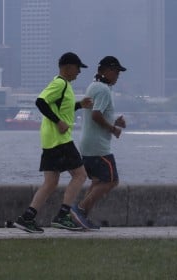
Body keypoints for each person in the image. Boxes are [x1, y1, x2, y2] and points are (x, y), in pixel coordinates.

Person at [13, 51, 94, 233]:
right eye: (77, 68)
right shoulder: (60, 83)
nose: (79, 72)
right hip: (60, 140)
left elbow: (60, 108)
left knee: (50, 183)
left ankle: (27, 218)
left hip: (50, 141)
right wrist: (59, 122)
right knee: (80, 175)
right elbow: (40, 102)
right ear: (67, 67)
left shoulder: (65, 86)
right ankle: (63, 216)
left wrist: (80, 105)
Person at [71, 55, 127, 230]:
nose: (118, 76)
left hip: (88, 144)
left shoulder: (93, 86)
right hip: (98, 146)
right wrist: (113, 129)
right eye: (116, 72)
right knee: (111, 180)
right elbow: (96, 115)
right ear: (107, 71)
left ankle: (81, 218)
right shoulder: (103, 90)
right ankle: (78, 209)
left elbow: (98, 113)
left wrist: (114, 120)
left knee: (97, 182)